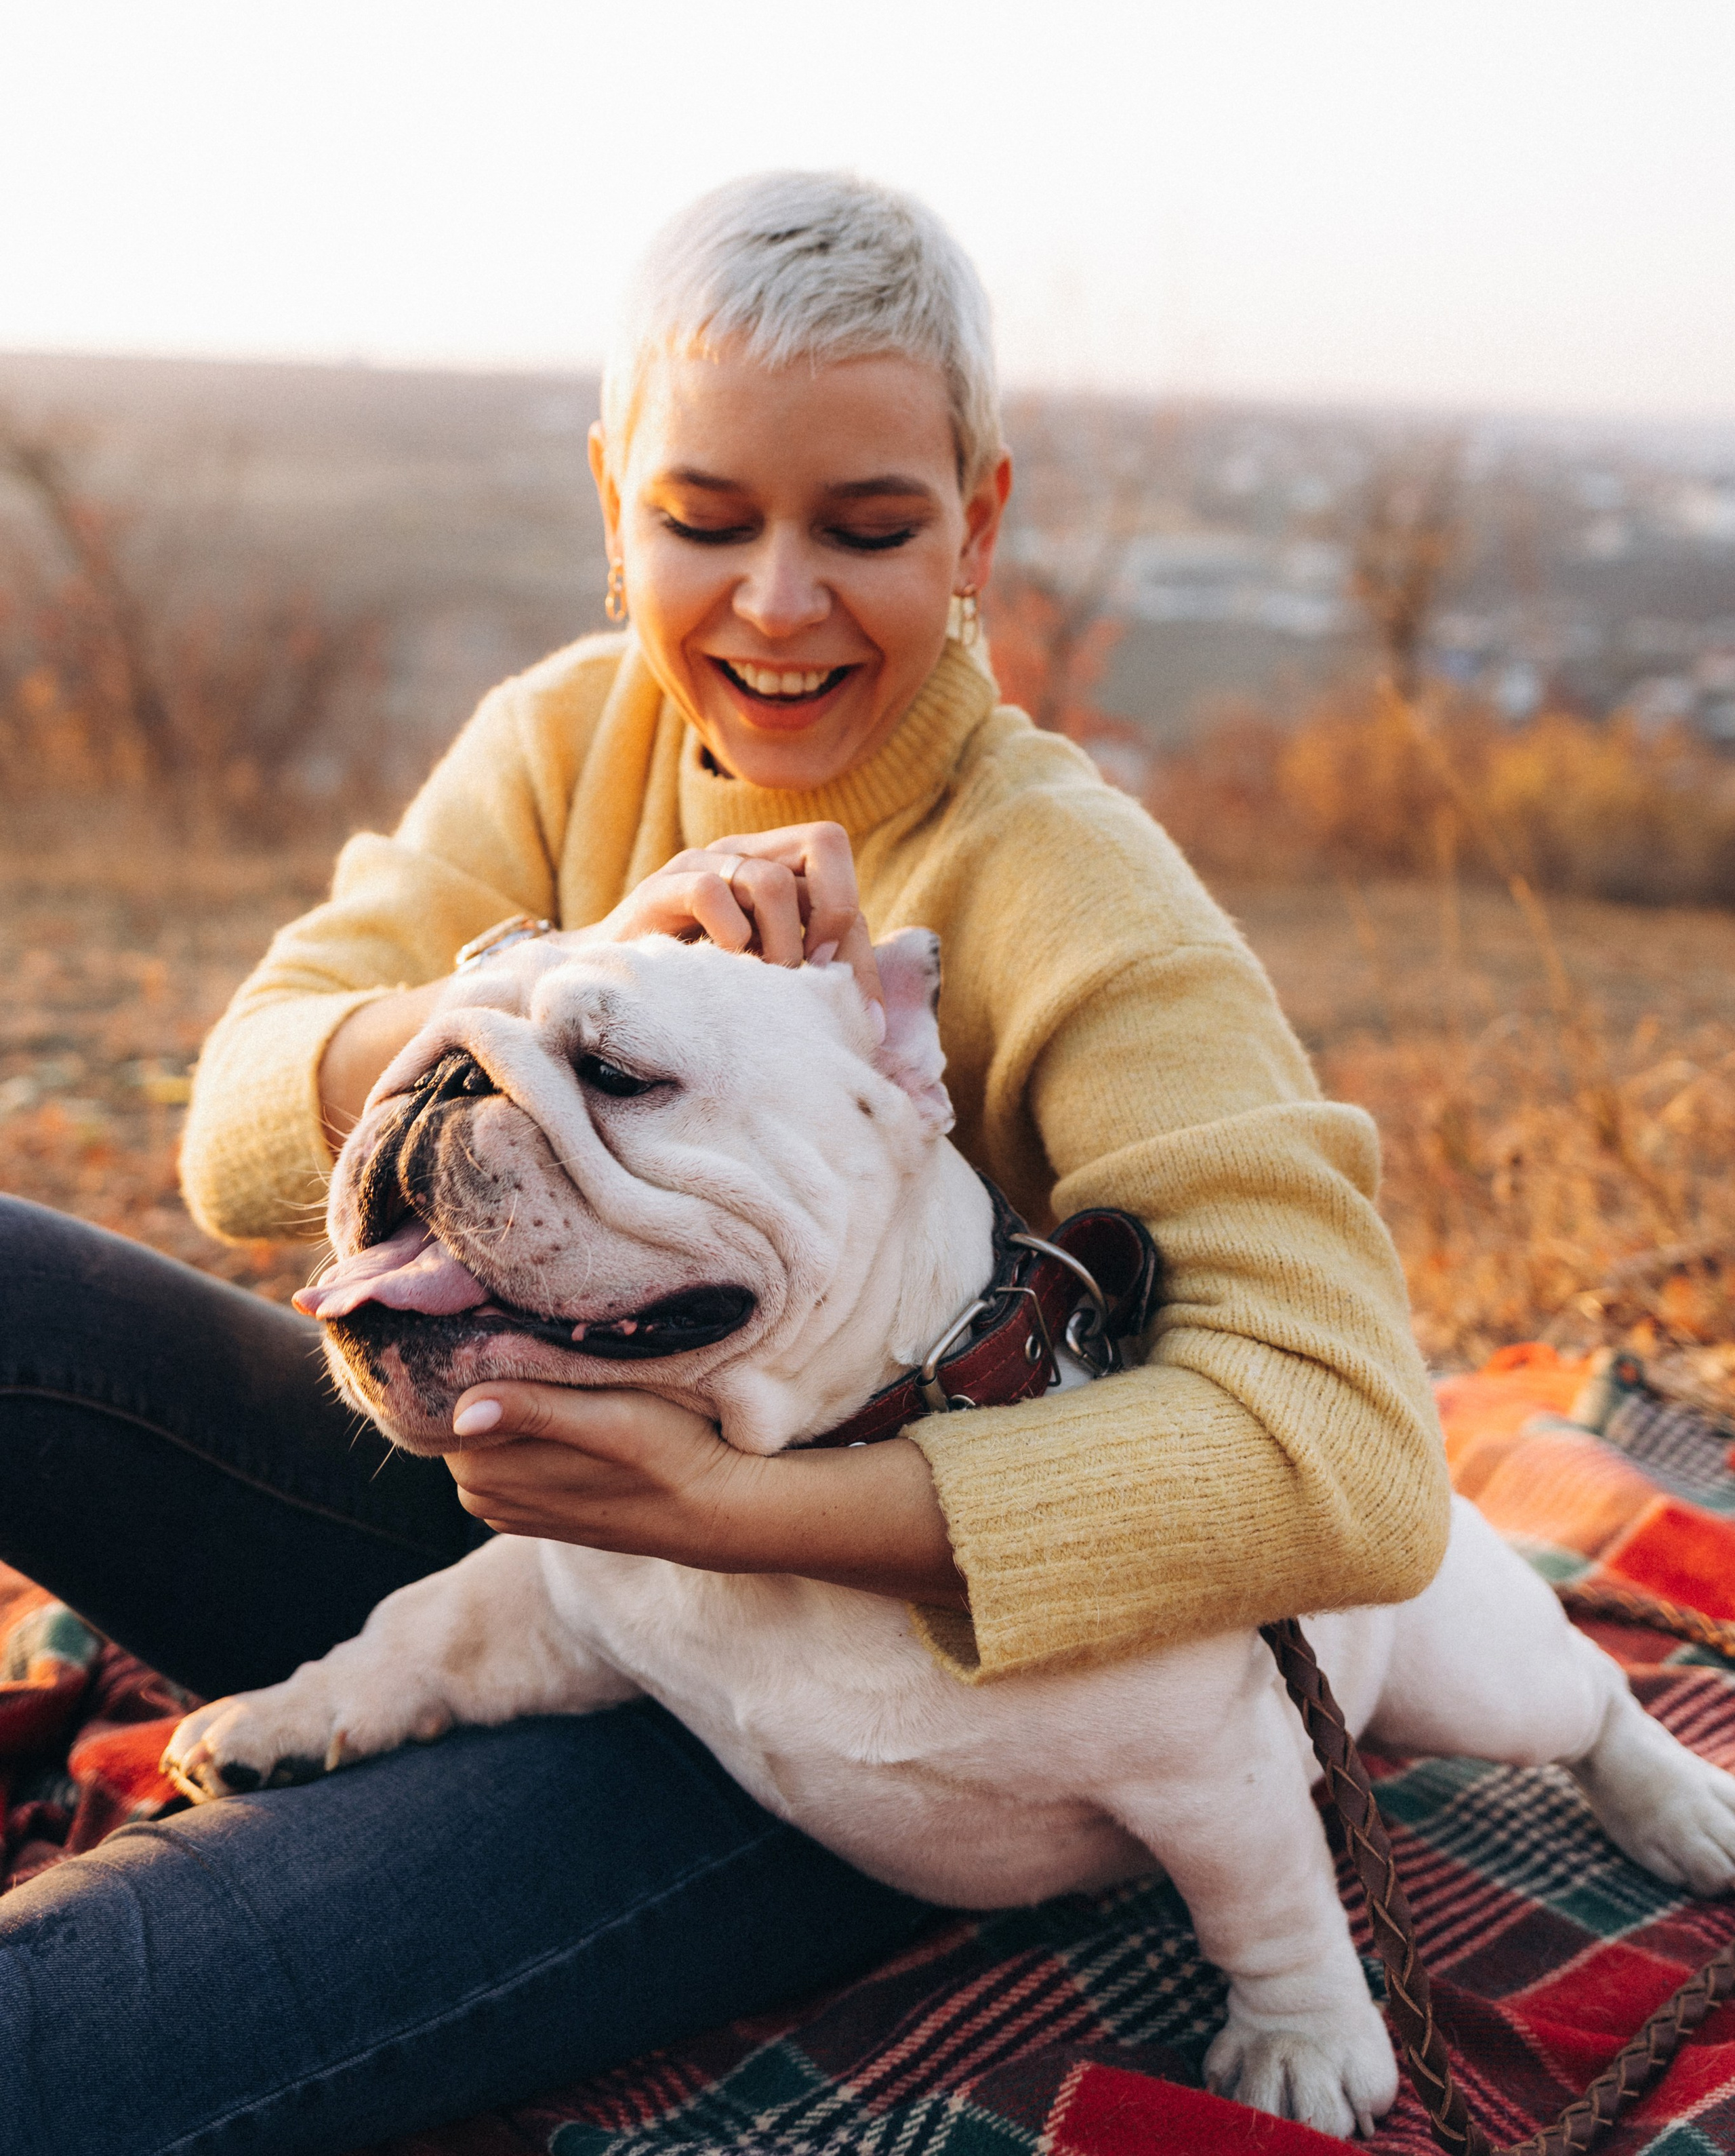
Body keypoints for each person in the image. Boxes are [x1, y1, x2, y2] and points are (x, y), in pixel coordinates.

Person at [0, 170, 1450, 2155]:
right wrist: (538, 998)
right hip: (511, 1531)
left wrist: (735, 1513)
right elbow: (239, 1125)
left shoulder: (1075, 890)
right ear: (615, 505)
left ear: (978, 529)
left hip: (860, 1721)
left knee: (69, 2027)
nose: (775, 602)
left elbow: (1350, 1456)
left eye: (866, 528)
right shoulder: (563, 737)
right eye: (704, 520)